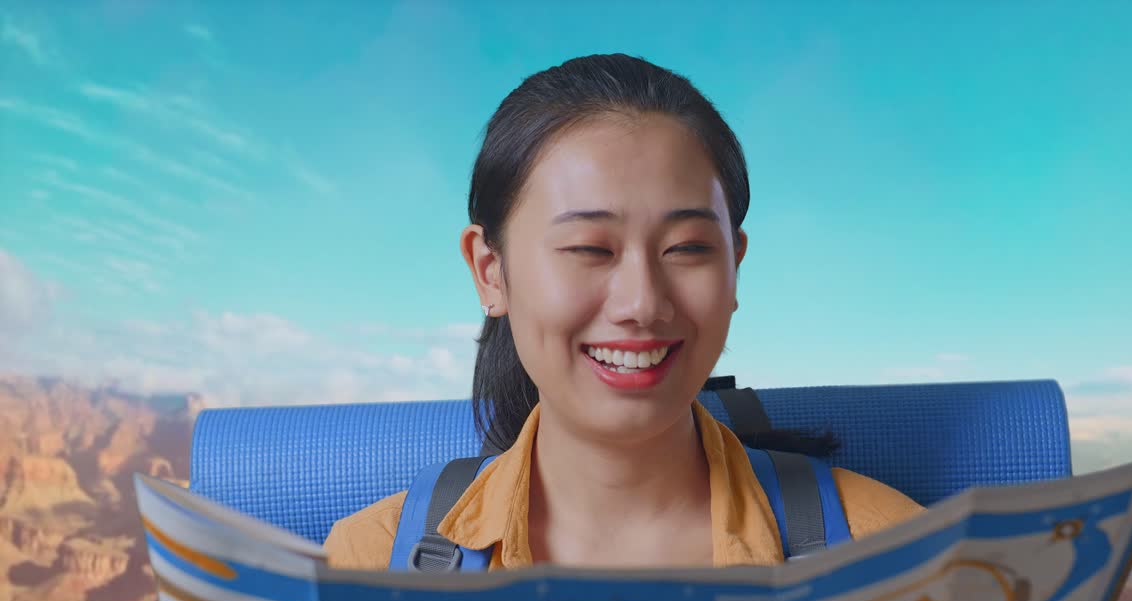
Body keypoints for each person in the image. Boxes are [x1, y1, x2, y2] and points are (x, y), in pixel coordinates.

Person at [323, 53, 924, 572]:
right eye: (589, 249)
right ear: (490, 271)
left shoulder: (895, 553)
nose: (642, 303)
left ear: (734, 266)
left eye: (687, 249)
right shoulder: (367, 564)